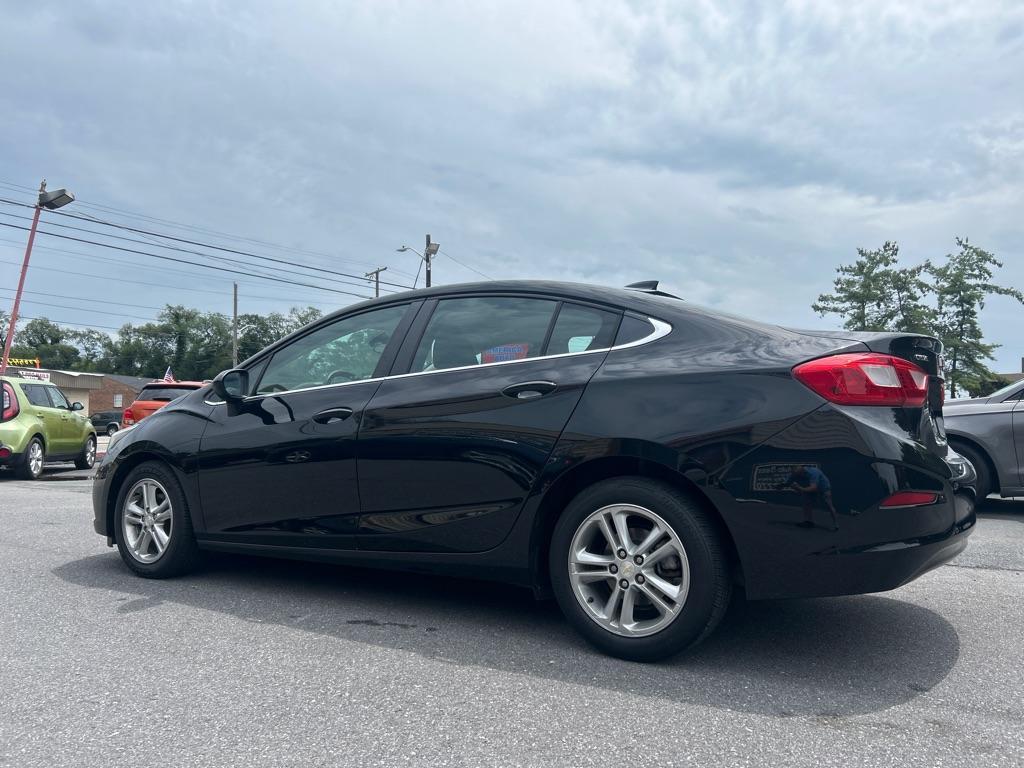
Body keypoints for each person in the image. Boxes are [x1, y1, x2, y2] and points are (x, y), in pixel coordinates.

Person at [781, 465, 838, 530]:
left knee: (829, 505)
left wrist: (800, 488)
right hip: (809, 487)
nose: (796, 476)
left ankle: (836, 524)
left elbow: (813, 488)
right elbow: (787, 483)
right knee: (806, 503)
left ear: (803, 472)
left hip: (823, 488)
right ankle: (808, 522)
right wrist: (780, 486)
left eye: (798, 475)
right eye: (795, 474)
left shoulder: (813, 472)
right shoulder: (794, 473)